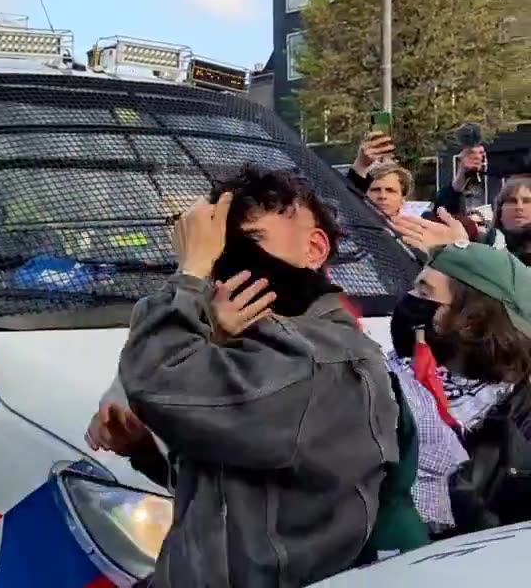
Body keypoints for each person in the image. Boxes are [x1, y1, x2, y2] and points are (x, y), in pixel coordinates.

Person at [94, 165, 400, 587]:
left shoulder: (317, 358)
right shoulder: (259, 348)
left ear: (314, 249)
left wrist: (192, 272)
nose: (229, 262)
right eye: (223, 249)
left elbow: (154, 381)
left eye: (251, 243)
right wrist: (146, 451)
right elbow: (239, 494)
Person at [392, 243, 531, 534]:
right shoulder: (389, 380)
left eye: (425, 293)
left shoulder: (520, 420)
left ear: (472, 322)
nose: (409, 300)